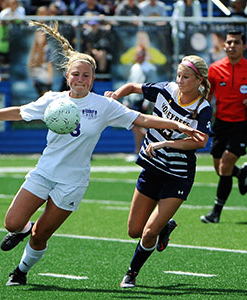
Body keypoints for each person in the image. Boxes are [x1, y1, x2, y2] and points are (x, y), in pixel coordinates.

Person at [0, 21, 205, 287]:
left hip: (72, 181)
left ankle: (21, 271)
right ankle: (23, 231)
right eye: (76, 75)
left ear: (93, 79)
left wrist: (177, 124)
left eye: (86, 76)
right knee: (12, 223)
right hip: (44, 172)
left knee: (40, 236)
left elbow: (143, 118)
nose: (81, 80)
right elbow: (18, 111)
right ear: (67, 77)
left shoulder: (104, 105)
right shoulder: (53, 99)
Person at [105, 55, 212, 288]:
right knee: (134, 230)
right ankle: (165, 226)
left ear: (199, 80)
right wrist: (115, 95)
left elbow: (201, 141)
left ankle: (131, 273)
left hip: (178, 174)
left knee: (148, 233)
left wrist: (165, 144)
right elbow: (133, 87)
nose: (180, 80)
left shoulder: (202, 108)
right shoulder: (166, 89)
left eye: (186, 77)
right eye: (179, 75)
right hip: (152, 168)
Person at [201, 30, 247, 224]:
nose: (232, 46)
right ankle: (241, 173)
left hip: (243, 124)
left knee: (224, 165)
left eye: (236, 42)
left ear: (243, 46)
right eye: (229, 42)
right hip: (221, 123)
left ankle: (216, 212)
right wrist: (201, 113)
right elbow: (208, 95)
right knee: (219, 168)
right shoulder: (214, 69)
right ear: (224, 46)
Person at [121, 44, 157, 162]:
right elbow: (130, 83)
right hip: (134, 100)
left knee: (137, 126)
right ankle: (141, 150)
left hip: (142, 101)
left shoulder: (150, 68)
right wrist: (126, 99)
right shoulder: (135, 67)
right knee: (135, 127)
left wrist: (147, 101)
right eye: (137, 53)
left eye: (141, 53)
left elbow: (152, 85)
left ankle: (149, 146)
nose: (138, 56)